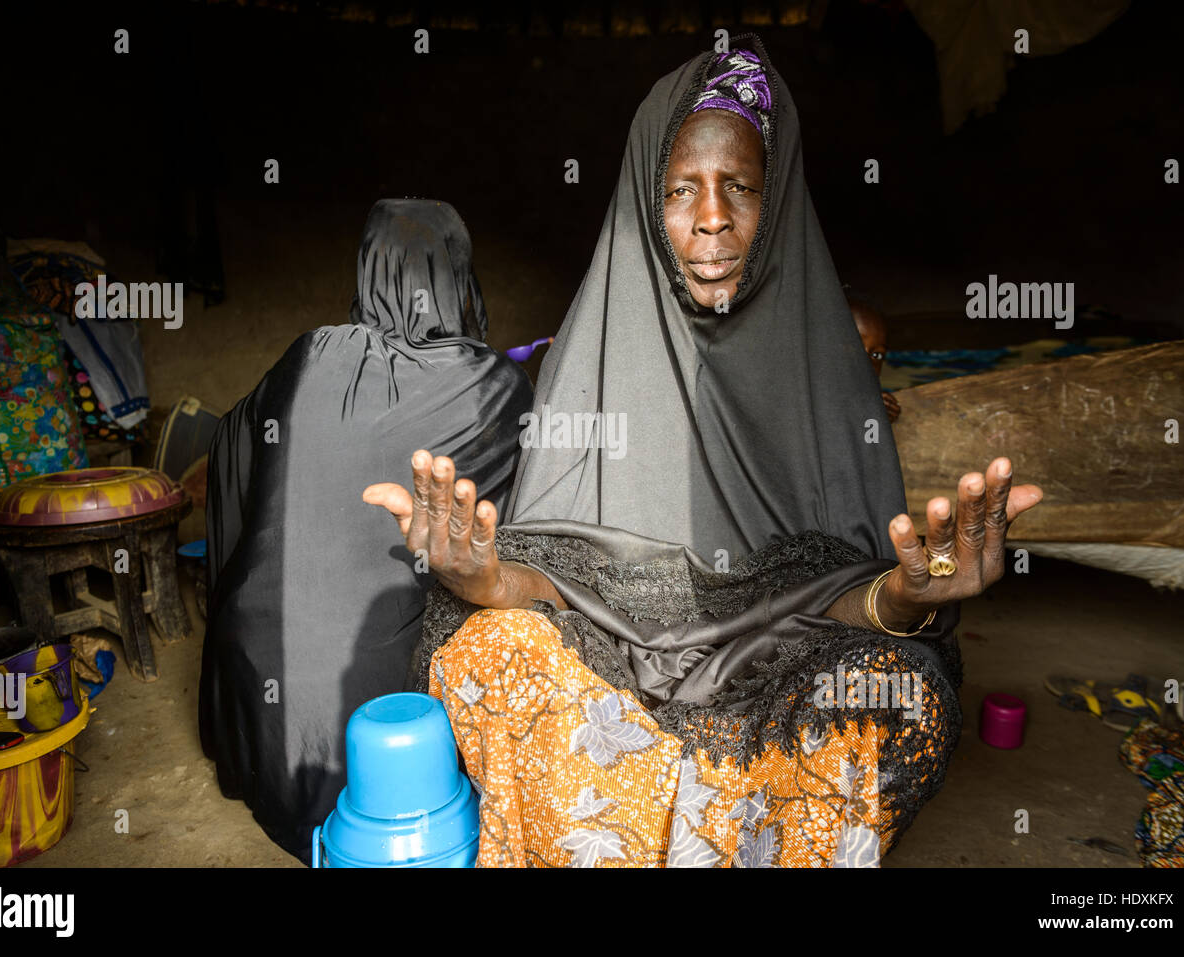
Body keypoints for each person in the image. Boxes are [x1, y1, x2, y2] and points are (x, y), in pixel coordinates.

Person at [366, 41, 1043, 868]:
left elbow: (842, 605)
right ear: (647, 203)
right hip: (610, 665)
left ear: (779, 198)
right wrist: (484, 579)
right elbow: (559, 582)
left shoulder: (832, 370)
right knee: (486, 650)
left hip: (781, 674)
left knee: (893, 692)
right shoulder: (593, 355)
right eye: (682, 189)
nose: (713, 217)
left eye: (741, 188)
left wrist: (904, 597)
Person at [200, 199, 533, 862]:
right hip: (386, 757)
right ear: (458, 276)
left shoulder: (311, 354)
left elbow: (230, 437)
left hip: (267, 734)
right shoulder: (495, 386)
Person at [845, 288, 902, 422]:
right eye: (854, 347)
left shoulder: (872, 403)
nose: (865, 364)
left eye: (876, 355)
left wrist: (878, 422)